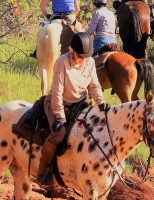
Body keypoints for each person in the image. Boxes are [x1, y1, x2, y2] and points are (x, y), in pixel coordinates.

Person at [37, 32, 110, 186]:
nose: (83, 60)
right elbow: (56, 91)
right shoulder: (61, 62)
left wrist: (101, 102)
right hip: (60, 104)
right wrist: (60, 116)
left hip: (80, 104)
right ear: (72, 51)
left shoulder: (89, 62)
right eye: (80, 56)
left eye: (85, 56)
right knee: (59, 134)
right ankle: (43, 172)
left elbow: (94, 86)